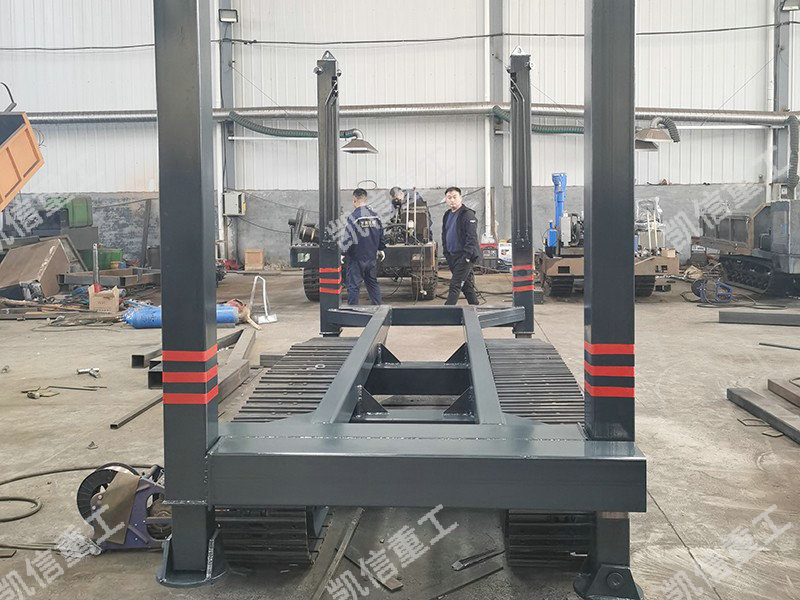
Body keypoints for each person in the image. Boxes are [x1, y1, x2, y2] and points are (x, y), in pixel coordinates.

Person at [342, 188, 386, 305]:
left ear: (354, 200)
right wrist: (380, 248)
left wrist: (343, 253)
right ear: (366, 200)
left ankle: (353, 311)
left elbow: (348, 238)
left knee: (354, 286)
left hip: (357, 259)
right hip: (371, 258)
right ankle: (378, 307)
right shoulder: (375, 216)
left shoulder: (354, 217)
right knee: (372, 283)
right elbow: (381, 234)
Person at [441, 186, 480, 305]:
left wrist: (467, 256)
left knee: (455, 285)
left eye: (454, 197)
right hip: (452, 256)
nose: (452, 200)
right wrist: (446, 253)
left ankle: (447, 311)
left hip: (464, 257)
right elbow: (444, 234)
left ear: (461, 198)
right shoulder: (447, 214)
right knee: (467, 286)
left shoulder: (467, 215)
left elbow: (471, 237)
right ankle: (475, 307)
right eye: (449, 197)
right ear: (446, 199)